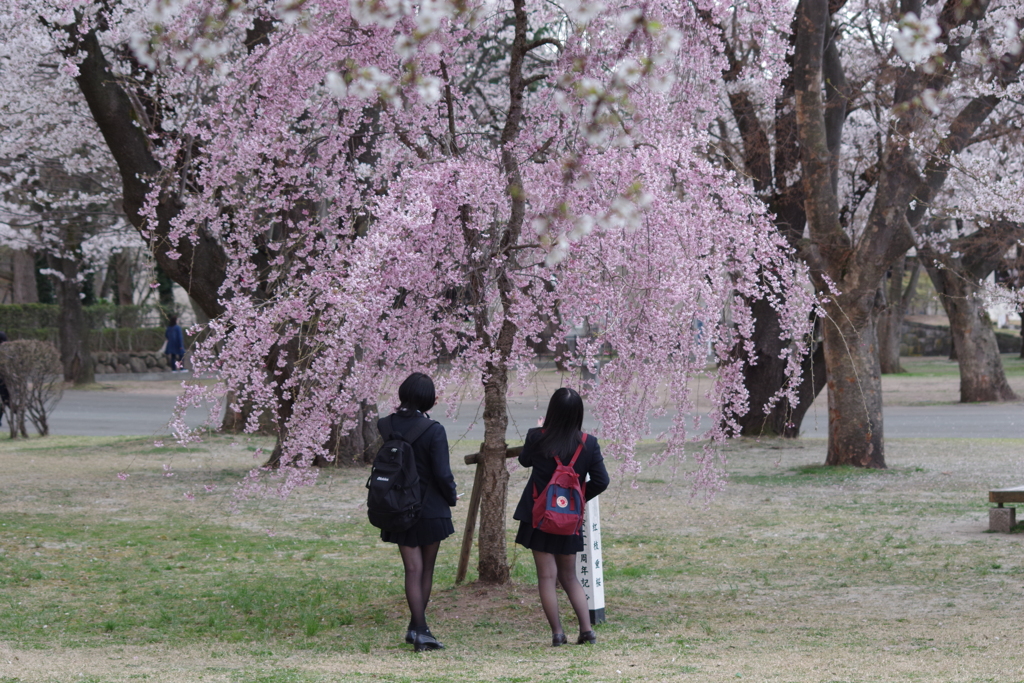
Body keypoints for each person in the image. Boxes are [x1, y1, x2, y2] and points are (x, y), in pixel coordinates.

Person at [513, 387, 609, 646]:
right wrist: (577, 501)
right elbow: (602, 480)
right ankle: (587, 631)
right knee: (570, 576)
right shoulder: (588, 443)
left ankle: (557, 633)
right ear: (578, 413)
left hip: (539, 516)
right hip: (568, 521)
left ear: (552, 412)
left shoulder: (537, 437)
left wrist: (538, 431)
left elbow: (524, 461)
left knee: (546, 576)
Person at [378, 372, 458, 652]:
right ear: (428, 399)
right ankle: (420, 629)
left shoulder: (385, 424)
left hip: (397, 506)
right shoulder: (434, 429)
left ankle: (417, 628)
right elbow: (442, 473)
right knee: (426, 570)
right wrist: (452, 497)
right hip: (429, 507)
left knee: (412, 568)